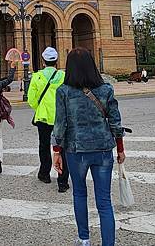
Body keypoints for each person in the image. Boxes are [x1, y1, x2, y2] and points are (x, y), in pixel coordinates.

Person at [53, 48, 126, 246]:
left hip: (76, 150)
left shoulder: (63, 92)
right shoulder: (106, 89)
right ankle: (108, 244)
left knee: (79, 193)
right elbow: (115, 122)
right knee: (104, 201)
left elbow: (60, 124)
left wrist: (56, 151)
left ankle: (84, 238)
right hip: (103, 149)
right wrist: (120, 148)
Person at [27, 47, 70, 192]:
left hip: (44, 117)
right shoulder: (63, 76)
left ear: (43, 61)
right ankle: (63, 180)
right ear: (56, 61)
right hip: (61, 117)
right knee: (62, 147)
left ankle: (44, 173)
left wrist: (40, 108)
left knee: (44, 145)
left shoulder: (37, 76)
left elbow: (31, 99)